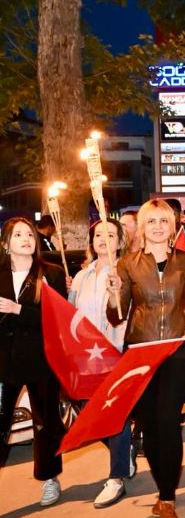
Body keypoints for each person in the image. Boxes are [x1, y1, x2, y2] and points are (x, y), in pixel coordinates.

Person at [106, 199, 185, 518]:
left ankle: (167, 495)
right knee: (149, 424)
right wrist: (112, 294)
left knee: (167, 420)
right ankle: (163, 482)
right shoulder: (126, 264)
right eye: (152, 221)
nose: (159, 226)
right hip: (139, 351)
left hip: (178, 350)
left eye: (164, 220)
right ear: (143, 227)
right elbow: (116, 315)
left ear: (173, 225)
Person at [0, 217, 68, 506]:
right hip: (4, 361)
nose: (26, 239)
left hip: (42, 359)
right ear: (6, 243)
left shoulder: (50, 273)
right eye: (18, 235)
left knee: (46, 423)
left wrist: (19, 310)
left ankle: (49, 478)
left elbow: (59, 318)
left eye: (30, 234)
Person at [69, 219, 134, 508]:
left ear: (120, 242)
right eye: (98, 234)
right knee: (89, 414)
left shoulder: (127, 271)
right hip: (86, 357)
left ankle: (116, 476)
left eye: (110, 235)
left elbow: (128, 312)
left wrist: (117, 291)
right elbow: (71, 314)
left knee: (114, 414)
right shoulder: (82, 276)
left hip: (116, 352)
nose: (103, 239)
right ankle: (125, 451)